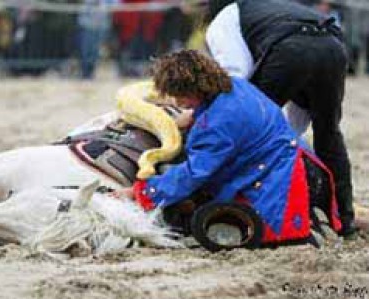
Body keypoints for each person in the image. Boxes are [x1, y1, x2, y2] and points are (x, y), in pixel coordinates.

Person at [115, 49, 341, 245]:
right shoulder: (235, 85)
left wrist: (140, 192)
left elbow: (195, 172)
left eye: (180, 96)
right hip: (301, 163)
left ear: (193, 90)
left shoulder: (218, 125)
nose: (177, 103)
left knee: (204, 218)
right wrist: (195, 115)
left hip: (282, 180)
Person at [205, 0, 356, 237]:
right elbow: (297, 117)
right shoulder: (274, 7)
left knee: (250, 125)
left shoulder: (224, 19)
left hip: (290, 50)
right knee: (329, 135)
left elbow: (236, 77)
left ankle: (242, 200)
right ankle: (346, 222)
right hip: (332, 48)